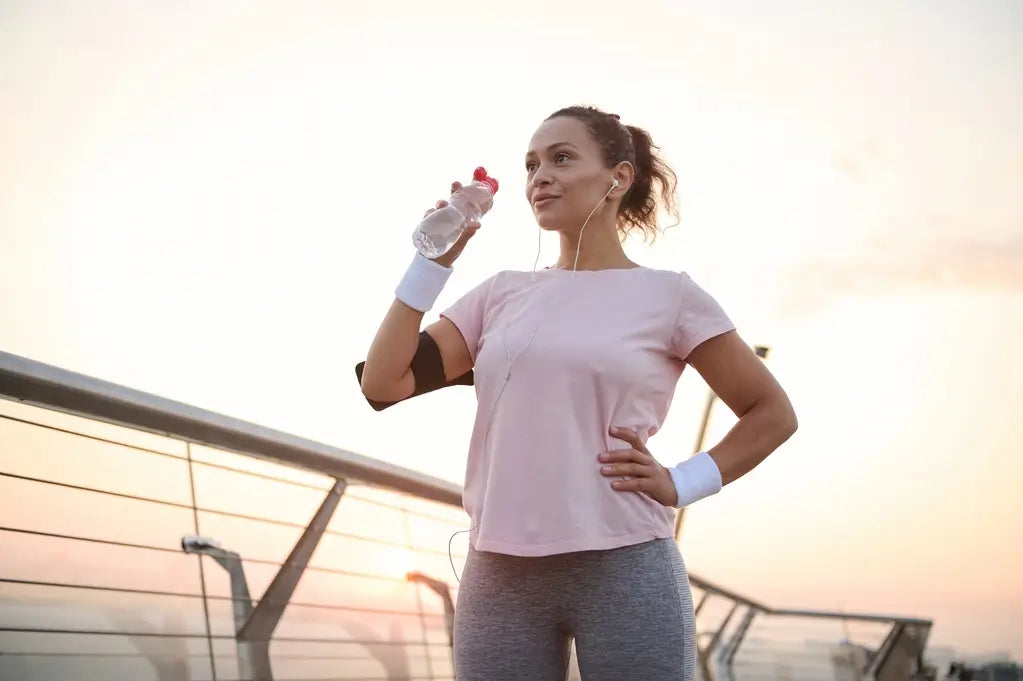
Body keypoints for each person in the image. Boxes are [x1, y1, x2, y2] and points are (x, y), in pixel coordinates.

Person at [357, 105, 798, 681]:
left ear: (618, 177)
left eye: (562, 159)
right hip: (500, 572)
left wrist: (681, 482)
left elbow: (772, 413)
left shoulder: (670, 297)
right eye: (532, 164)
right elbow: (383, 382)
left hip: (625, 562)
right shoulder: (500, 295)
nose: (540, 176)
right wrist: (431, 263)